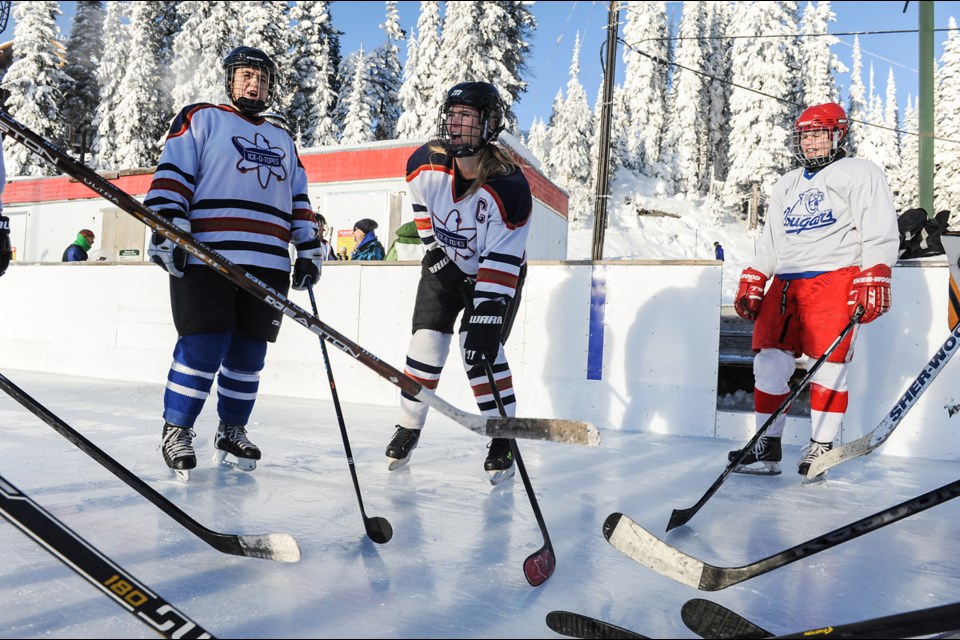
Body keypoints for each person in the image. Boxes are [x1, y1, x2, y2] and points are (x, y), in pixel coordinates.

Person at [144, 46, 322, 480]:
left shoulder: (283, 138)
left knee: (248, 353)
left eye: (260, 77)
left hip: (268, 262)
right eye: (244, 75)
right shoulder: (201, 118)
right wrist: (169, 226)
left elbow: (298, 198)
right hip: (209, 256)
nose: (253, 83)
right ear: (229, 80)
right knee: (203, 346)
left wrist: (309, 247)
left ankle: (232, 430)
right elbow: (172, 175)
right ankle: (177, 429)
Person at [728, 102, 899, 482]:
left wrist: (876, 270)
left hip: (835, 276)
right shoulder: (786, 183)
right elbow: (772, 240)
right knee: (769, 363)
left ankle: (820, 447)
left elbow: (879, 228)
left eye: (820, 134)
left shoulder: (859, 173)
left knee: (830, 366)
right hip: (787, 282)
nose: (812, 142)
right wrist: (757, 273)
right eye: (806, 135)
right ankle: (767, 446)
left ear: (839, 134)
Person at [384, 81, 532, 484]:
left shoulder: (510, 188)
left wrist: (486, 313)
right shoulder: (424, 164)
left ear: (489, 125)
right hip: (447, 265)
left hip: (494, 273)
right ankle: (408, 426)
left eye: (467, 116)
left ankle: (501, 435)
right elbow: (422, 207)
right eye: (453, 115)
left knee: (478, 352)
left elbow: (502, 260)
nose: (456, 124)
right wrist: (433, 249)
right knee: (425, 344)